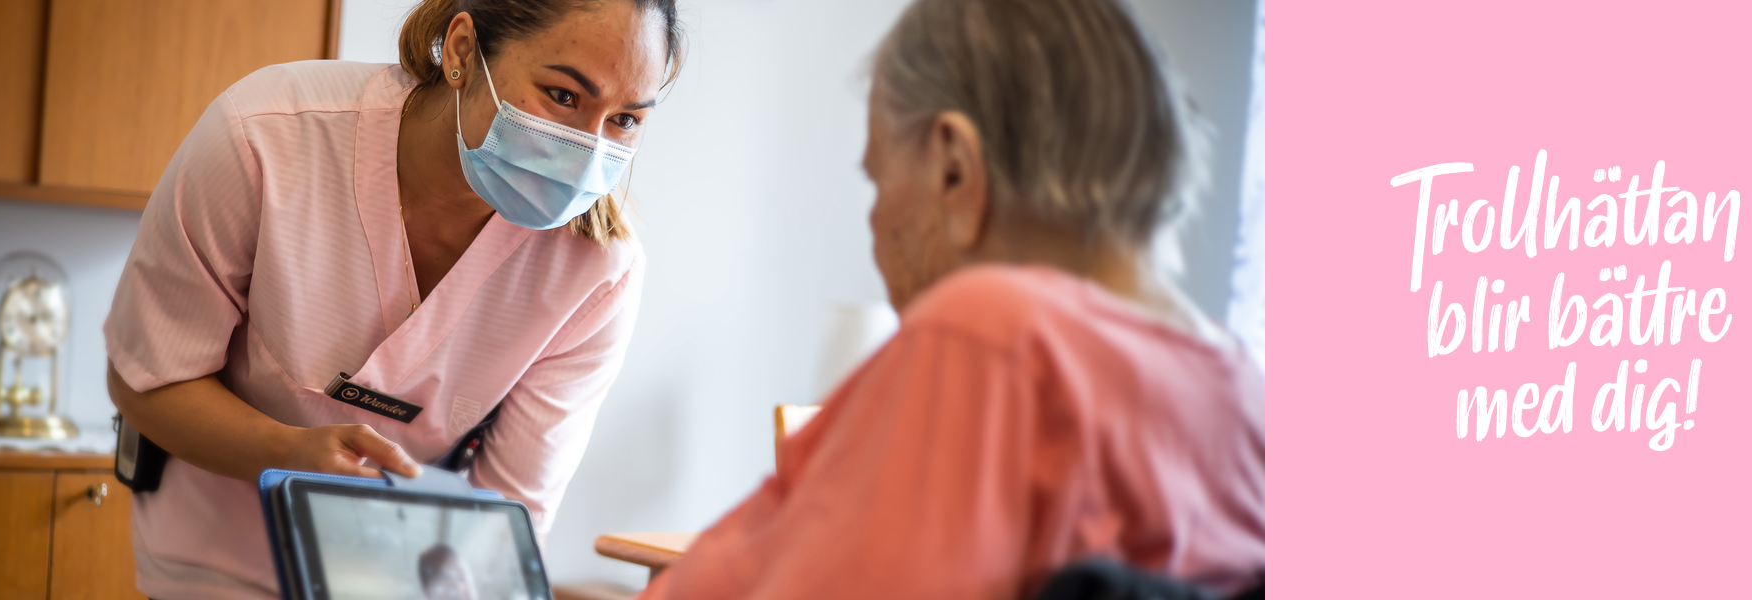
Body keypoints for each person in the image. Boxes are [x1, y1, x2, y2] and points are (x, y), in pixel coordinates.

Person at [636, 0, 1263, 597]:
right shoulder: (1244, 397)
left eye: (877, 180)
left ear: (954, 168)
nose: (877, 225)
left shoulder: (991, 340)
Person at [101, 0, 683, 597]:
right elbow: (147, 377)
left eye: (626, 121)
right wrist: (287, 453)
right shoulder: (266, 136)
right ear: (462, 51)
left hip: (401, 581)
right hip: (213, 562)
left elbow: (505, 517)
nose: (586, 150)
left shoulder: (597, 271)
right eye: (563, 95)